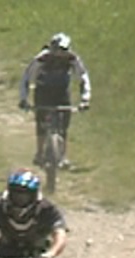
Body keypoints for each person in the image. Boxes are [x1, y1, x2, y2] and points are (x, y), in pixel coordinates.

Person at [18, 32, 91, 169]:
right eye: (56, 49)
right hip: (43, 92)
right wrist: (23, 99)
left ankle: (62, 155)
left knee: (63, 125)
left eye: (62, 50)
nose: (58, 53)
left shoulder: (72, 59)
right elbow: (27, 78)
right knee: (41, 123)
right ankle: (39, 153)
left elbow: (83, 77)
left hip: (61, 92)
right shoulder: (41, 59)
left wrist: (85, 99)